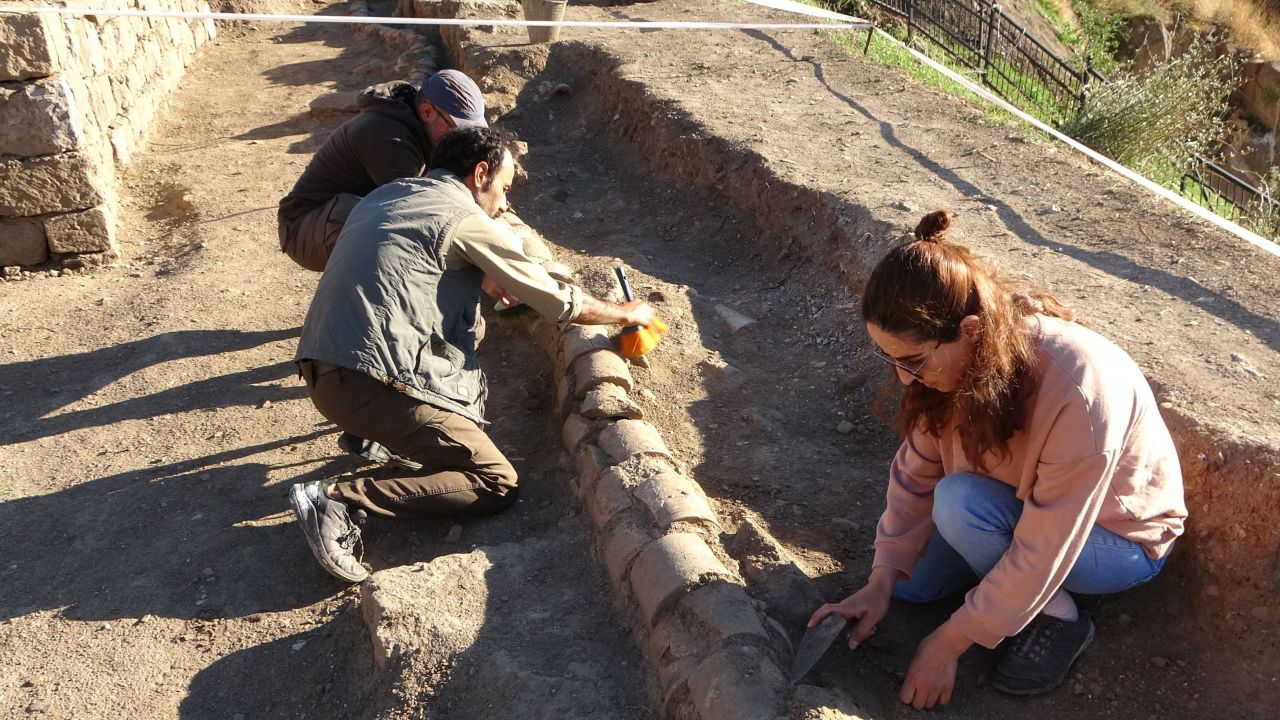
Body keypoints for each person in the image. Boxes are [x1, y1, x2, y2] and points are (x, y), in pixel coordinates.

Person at [808, 210, 1186, 708]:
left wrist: (951, 640)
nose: (903, 379)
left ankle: (1061, 617)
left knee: (960, 503)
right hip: (1015, 509)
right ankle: (995, 586)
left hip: (1114, 541)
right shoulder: (951, 370)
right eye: (891, 361)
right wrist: (880, 581)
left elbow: (1051, 541)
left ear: (967, 329)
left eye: (913, 362)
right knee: (911, 585)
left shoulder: (1079, 388)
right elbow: (915, 477)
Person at [287, 127, 659, 583]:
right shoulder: (463, 217)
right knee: (495, 481)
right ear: (480, 173)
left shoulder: (389, 195)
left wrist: (477, 276)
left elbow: (410, 263)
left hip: (325, 369)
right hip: (366, 380)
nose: (504, 205)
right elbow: (557, 301)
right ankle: (336, 501)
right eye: (503, 189)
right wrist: (625, 313)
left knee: (462, 353)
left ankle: (381, 435)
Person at [276, 69, 488, 272]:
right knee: (396, 228)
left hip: (334, 216)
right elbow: (419, 211)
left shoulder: (417, 126)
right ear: (427, 112)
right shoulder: (389, 138)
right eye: (458, 130)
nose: (463, 139)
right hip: (303, 229)